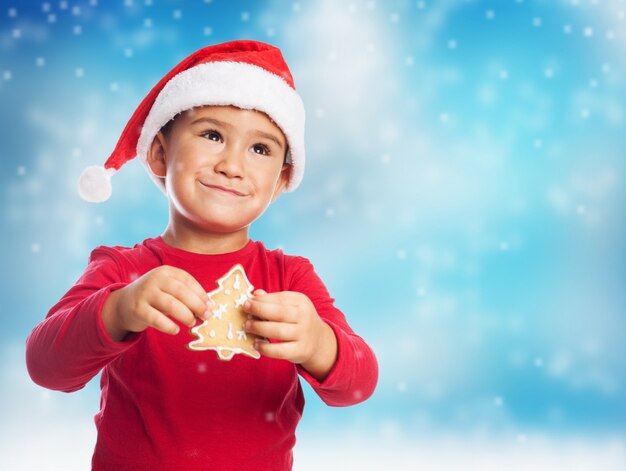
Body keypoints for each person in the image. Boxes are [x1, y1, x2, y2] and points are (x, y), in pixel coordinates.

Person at [25, 40, 378, 470]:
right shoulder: (123, 271)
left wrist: (320, 344)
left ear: (283, 178)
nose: (232, 165)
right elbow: (45, 367)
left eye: (260, 149)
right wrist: (118, 310)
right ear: (158, 153)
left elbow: (359, 385)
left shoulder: (291, 278)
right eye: (212, 135)